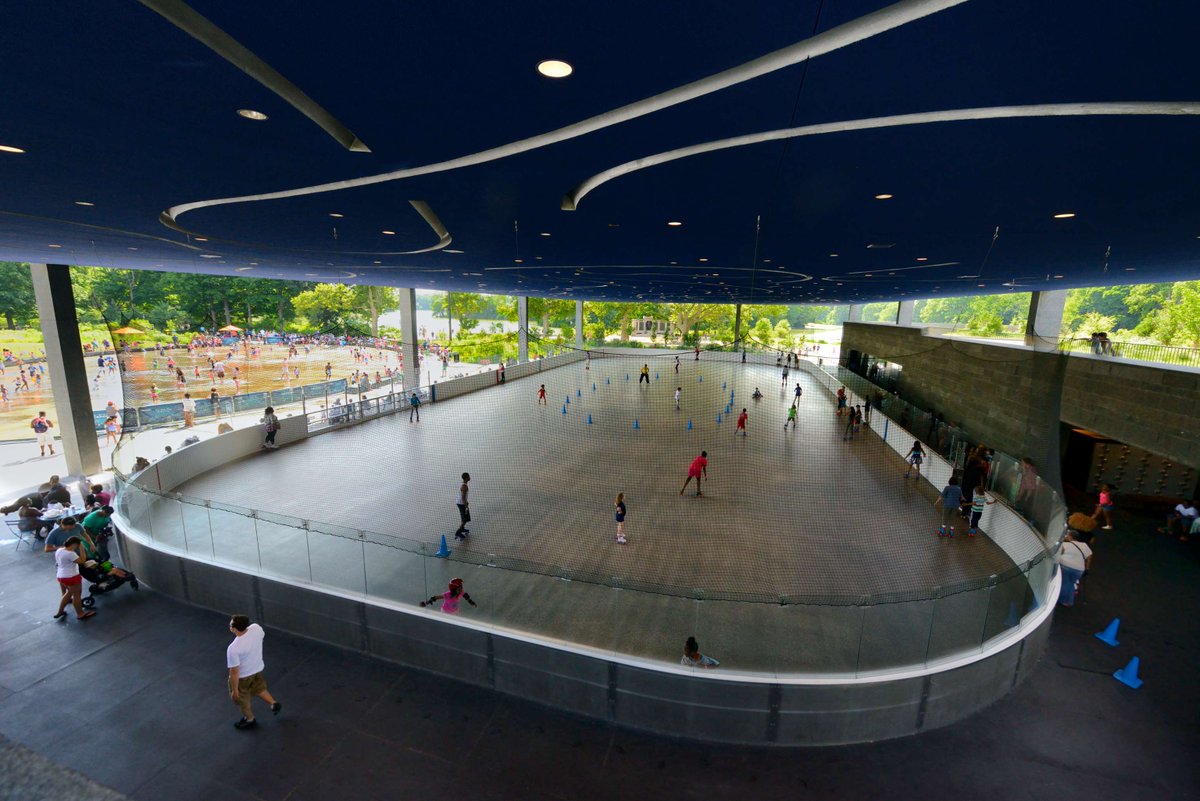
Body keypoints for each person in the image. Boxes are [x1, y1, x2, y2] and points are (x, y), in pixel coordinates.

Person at [226, 614, 281, 730]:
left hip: (243, 678)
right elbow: (261, 637)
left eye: (231, 624)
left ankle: (250, 719)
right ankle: (273, 703)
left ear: (235, 629)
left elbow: (234, 672)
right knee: (259, 688)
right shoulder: (256, 628)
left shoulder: (233, 648)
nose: (229, 625)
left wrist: (235, 691)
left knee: (243, 700)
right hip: (256, 669)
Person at [52, 536, 96, 621]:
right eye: (77, 545)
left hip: (61, 576)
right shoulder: (71, 554)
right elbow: (82, 561)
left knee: (68, 594)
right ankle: (80, 614)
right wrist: (82, 548)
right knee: (77, 596)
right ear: (74, 544)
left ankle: (60, 612)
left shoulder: (60, 550)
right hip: (71, 576)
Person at [1056, 530, 1093, 607]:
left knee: (1064, 584)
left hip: (1065, 566)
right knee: (1071, 584)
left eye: (1067, 535)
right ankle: (1069, 602)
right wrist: (1087, 568)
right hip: (1079, 570)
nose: (1065, 536)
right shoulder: (1084, 545)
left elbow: (1059, 554)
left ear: (1070, 537)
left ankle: (1060, 600)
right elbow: (1089, 556)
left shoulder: (1065, 544)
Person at [454, 472, 471, 540]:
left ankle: (463, 529)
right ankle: (458, 532)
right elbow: (463, 497)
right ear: (466, 478)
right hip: (461, 504)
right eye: (469, 477)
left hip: (461, 503)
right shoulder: (464, 486)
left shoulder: (463, 484)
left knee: (465, 517)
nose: (470, 477)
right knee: (464, 519)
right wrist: (466, 506)